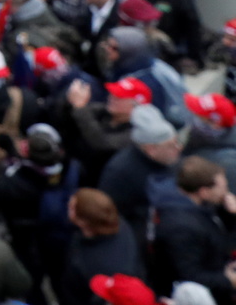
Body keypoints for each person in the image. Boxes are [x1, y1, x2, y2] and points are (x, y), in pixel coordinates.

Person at [152, 157, 236, 302]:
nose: (226, 192)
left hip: (219, 269)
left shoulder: (203, 205)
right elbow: (190, 275)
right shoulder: (181, 227)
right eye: (223, 188)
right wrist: (228, 280)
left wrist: (232, 214)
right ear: (203, 192)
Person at [100, 104, 184, 239]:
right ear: (151, 149)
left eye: (177, 142)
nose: (178, 148)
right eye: (171, 145)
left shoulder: (169, 159)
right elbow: (111, 214)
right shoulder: (119, 172)